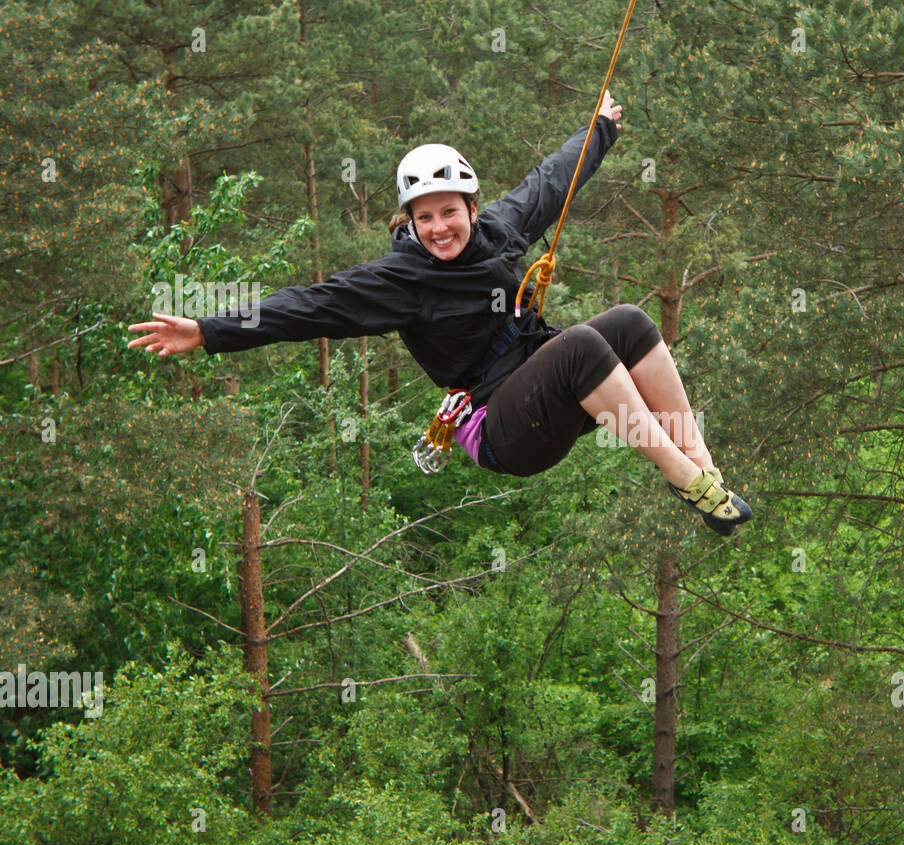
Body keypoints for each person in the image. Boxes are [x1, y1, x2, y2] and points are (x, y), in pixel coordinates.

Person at [128, 92, 752, 535]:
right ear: (410, 221)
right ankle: (682, 477)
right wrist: (209, 329)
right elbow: (309, 308)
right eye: (423, 217)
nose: (438, 228)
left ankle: (701, 466)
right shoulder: (400, 278)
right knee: (587, 346)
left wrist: (601, 131)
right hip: (503, 430)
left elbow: (550, 182)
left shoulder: (500, 232)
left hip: (547, 396)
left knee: (630, 324)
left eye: (448, 211)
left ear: (471, 208)